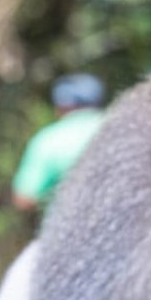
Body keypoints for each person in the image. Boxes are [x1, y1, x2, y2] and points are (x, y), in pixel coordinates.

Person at [11, 73, 106, 212]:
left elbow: (23, 199)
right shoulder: (121, 129)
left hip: (67, 227)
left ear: (61, 106)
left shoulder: (48, 140)